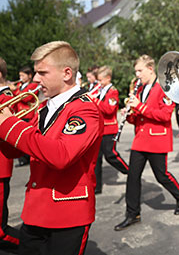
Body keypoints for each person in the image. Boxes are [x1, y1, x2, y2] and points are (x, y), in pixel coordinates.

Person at [0, 41, 103, 255]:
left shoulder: (85, 110)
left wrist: (9, 125)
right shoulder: (47, 107)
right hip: (36, 211)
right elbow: (18, 150)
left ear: (66, 73)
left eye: (42, 72)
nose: (35, 79)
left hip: (67, 214)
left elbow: (60, 155)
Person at [114, 55, 179, 231]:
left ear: (150, 69)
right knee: (132, 177)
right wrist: (130, 113)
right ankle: (133, 214)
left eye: (140, 71)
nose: (137, 75)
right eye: (136, 71)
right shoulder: (139, 89)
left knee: (161, 176)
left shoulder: (164, 87)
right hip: (140, 140)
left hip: (157, 138)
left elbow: (164, 116)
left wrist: (140, 107)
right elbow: (136, 120)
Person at [91, 66, 129, 194]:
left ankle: (129, 171)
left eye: (101, 80)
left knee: (110, 154)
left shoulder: (113, 92)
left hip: (109, 128)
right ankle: (97, 186)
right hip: (99, 128)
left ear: (108, 78)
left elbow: (109, 110)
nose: (99, 83)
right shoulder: (100, 89)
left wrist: (95, 100)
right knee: (96, 158)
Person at [0, 57, 20, 250]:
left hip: (0, 166)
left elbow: (9, 132)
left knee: (0, 231)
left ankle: (32, 246)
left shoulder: (6, 98)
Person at [13, 66, 40, 167]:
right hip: (18, 113)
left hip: (27, 113)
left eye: (22, 75)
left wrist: (16, 91)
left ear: (29, 76)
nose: (20, 78)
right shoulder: (20, 85)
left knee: (25, 136)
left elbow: (26, 98)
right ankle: (22, 158)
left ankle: (27, 158)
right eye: (20, 75)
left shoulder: (33, 85)